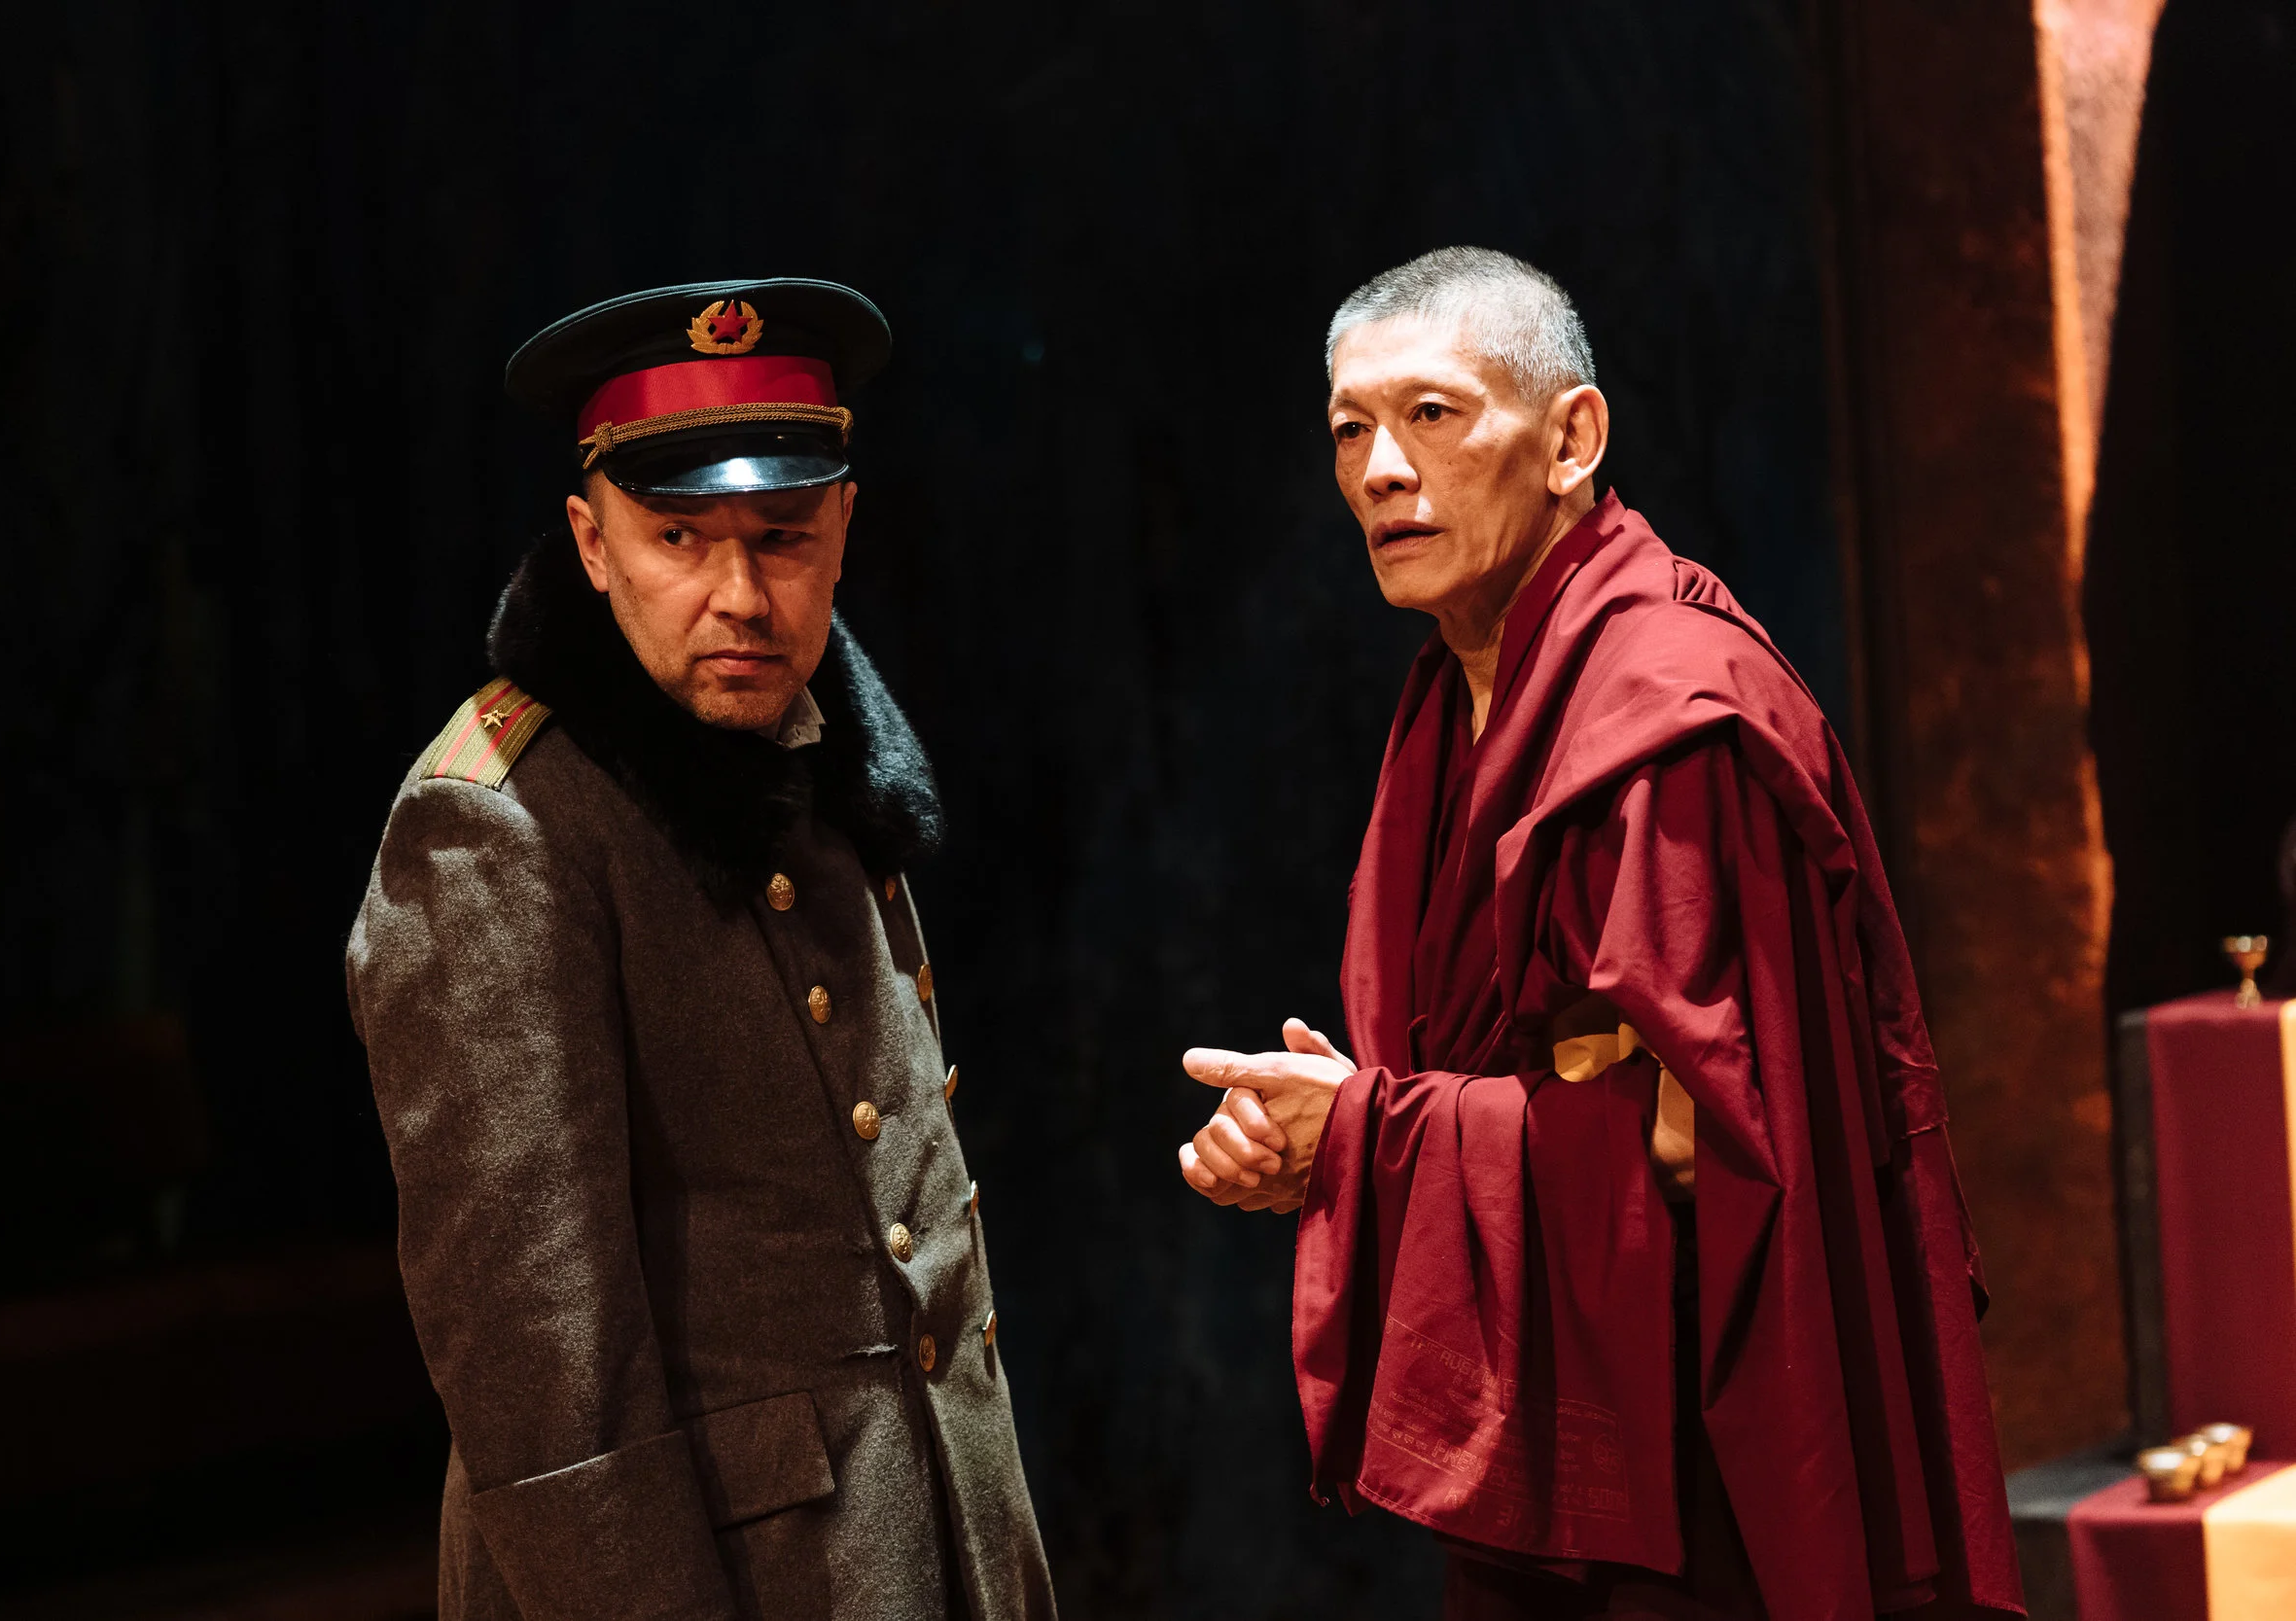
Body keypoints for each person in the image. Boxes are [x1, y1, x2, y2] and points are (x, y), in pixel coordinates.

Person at [1176, 248, 2023, 1619]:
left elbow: (1711, 1137)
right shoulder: (1457, 698)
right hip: (1557, 1407)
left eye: (1433, 415)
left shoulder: (1667, 710)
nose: (1382, 469)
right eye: (1349, 429)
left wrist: (1372, 1133)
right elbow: (1496, 1078)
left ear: (1572, 440)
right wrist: (1324, 1139)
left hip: (1701, 1451)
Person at [348, 279, 1056, 1621]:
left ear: (843, 527)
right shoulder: (503, 825)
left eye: (782, 537)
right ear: (592, 541)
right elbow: (546, 1380)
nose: (740, 596)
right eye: (678, 536)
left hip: (914, 1541)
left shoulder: (820, 752)